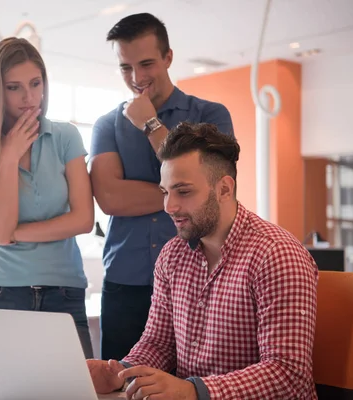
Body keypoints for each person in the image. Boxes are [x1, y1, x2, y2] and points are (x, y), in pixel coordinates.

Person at [87, 122, 318, 400]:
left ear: (223, 189)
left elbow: (288, 374)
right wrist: (122, 374)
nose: (169, 207)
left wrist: (193, 391)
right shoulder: (172, 255)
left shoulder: (276, 254)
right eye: (165, 192)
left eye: (183, 191)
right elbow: (158, 344)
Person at [89, 13, 235, 361]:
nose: (137, 78)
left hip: (197, 278)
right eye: (125, 67)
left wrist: (150, 124)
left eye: (146, 64)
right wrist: (187, 192)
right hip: (125, 281)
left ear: (168, 57)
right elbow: (109, 199)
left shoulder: (211, 116)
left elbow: (213, 187)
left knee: (185, 384)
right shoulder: (107, 125)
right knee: (120, 384)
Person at [0, 37, 95, 359]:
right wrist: (7, 158)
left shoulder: (65, 137)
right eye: (14, 87)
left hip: (64, 289)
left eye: (36, 83)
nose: (29, 97)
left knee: (78, 392)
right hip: (1, 291)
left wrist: (10, 233)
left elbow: (83, 220)